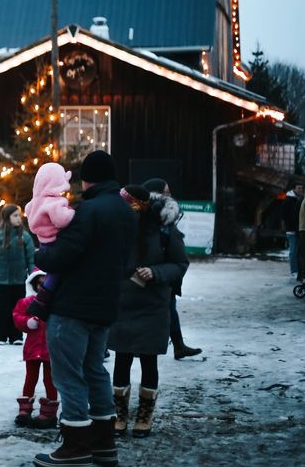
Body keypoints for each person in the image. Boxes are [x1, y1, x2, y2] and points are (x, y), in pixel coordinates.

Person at [32, 150, 136, 467]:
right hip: (104, 306)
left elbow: (62, 256)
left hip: (73, 307)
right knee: (94, 372)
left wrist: (40, 255)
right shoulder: (125, 211)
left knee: (69, 375)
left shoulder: (89, 211)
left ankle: (75, 444)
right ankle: (104, 444)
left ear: (88, 178)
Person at [109, 183, 189, 439]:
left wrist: (155, 272)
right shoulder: (118, 228)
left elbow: (179, 264)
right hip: (122, 304)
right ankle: (119, 414)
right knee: (121, 360)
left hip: (153, 306)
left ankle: (144, 415)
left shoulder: (165, 230)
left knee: (148, 360)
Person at [142, 179, 202, 360]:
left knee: (171, 308)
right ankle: (177, 345)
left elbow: (179, 261)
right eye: (166, 192)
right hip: (156, 278)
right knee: (166, 309)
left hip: (165, 275)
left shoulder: (166, 218)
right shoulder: (155, 221)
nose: (169, 195)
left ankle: (178, 345)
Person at [23, 162, 75, 320]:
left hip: (43, 242)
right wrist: (72, 212)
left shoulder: (35, 202)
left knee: (52, 272)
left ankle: (42, 299)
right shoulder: (55, 203)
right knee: (56, 272)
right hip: (54, 242)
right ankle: (41, 300)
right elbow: (62, 220)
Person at [12, 268, 58, 428]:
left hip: (51, 349)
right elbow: (17, 315)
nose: (43, 287)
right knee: (30, 378)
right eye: (40, 283)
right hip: (33, 348)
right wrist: (27, 323)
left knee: (50, 380)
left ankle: (50, 410)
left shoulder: (56, 303)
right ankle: (25, 409)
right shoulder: (28, 302)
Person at [0, 204, 35, 345]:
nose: (19, 218)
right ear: (7, 217)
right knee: (2, 308)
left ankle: (16, 335)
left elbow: (31, 258)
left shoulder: (25, 236)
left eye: (19, 215)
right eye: (15, 215)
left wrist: (33, 276)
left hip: (19, 279)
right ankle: (0, 335)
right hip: (3, 280)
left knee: (18, 308)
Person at [282, 182, 305, 278]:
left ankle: (297, 270)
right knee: (293, 250)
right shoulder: (289, 200)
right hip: (292, 229)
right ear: (294, 189)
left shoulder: (298, 199)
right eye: (299, 188)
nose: (300, 190)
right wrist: (292, 226)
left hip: (297, 229)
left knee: (297, 250)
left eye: (301, 188)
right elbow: (285, 215)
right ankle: (293, 271)